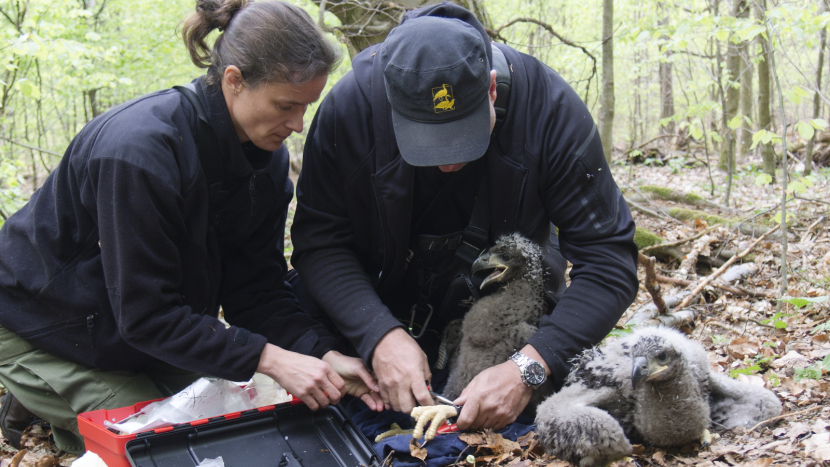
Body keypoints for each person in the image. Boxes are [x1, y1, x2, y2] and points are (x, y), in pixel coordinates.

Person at [0, 0, 382, 455]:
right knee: (164, 445)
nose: (298, 125)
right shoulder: (139, 153)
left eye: (306, 107)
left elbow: (255, 288)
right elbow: (147, 314)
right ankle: (34, 395)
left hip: (127, 329)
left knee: (244, 417)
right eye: (285, 106)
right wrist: (271, 358)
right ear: (234, 80)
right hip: (41, 323)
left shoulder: (265, 161)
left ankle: (73, 398)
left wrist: (319, 354)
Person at [290, 1, 639, 432]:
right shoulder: (351, 112)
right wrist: (377, 334)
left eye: (464, 135)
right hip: (382, 296)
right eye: (427, 142)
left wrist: (529, 367)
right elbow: (319, 245)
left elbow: (609, 261)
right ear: (390, 103)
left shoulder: (549, 112)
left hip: (503, 319)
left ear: (491, 88)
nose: (447, 163)